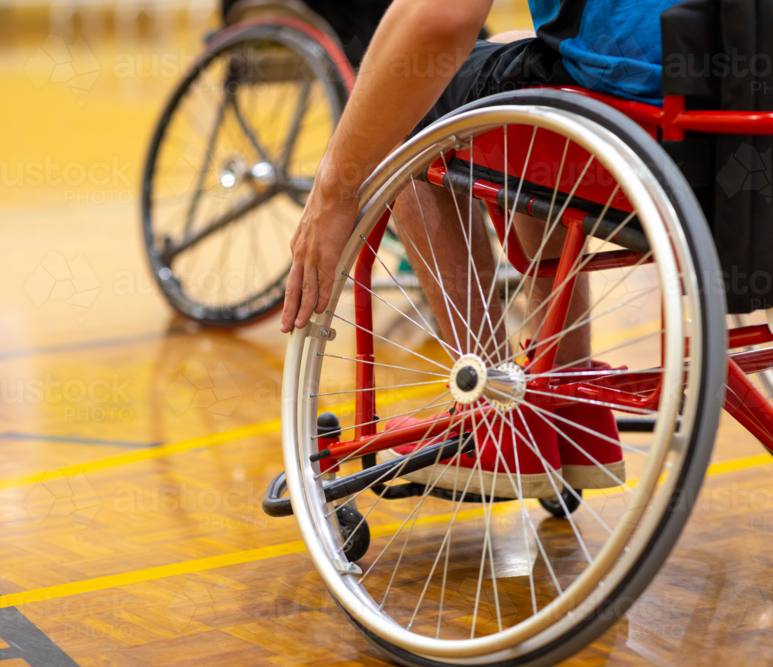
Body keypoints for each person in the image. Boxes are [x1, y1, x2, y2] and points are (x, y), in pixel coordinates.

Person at [279, 0, 680, 497]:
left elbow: (440, 18)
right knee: (516, 47)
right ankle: (569, 400)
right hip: (726, 124)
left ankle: (493, 412)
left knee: (404, 86)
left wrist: (333, 190)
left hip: (642, 105)